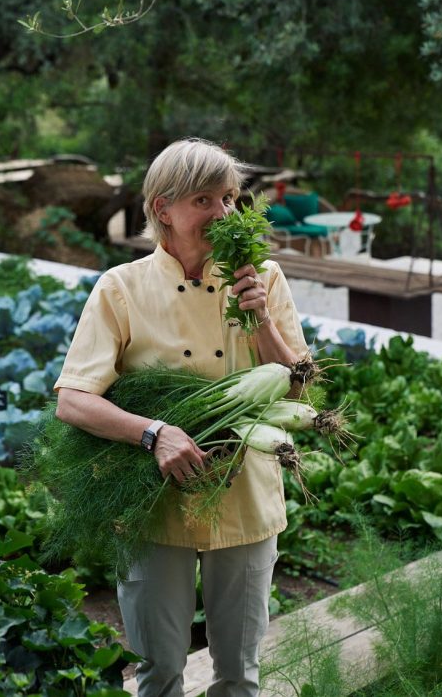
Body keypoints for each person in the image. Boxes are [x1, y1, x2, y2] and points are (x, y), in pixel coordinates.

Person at [53, 138, 310, 697]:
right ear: (162, 209)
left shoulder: (263, 280)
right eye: (204, 199)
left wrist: (261, 320)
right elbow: (73, 400)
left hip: (242, 495)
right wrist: (154, 432)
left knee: (239, 675)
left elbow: (299, 392)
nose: (223, 213)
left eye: (231, 198)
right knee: (160, 671)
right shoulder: (120, 288)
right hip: (150, 499)